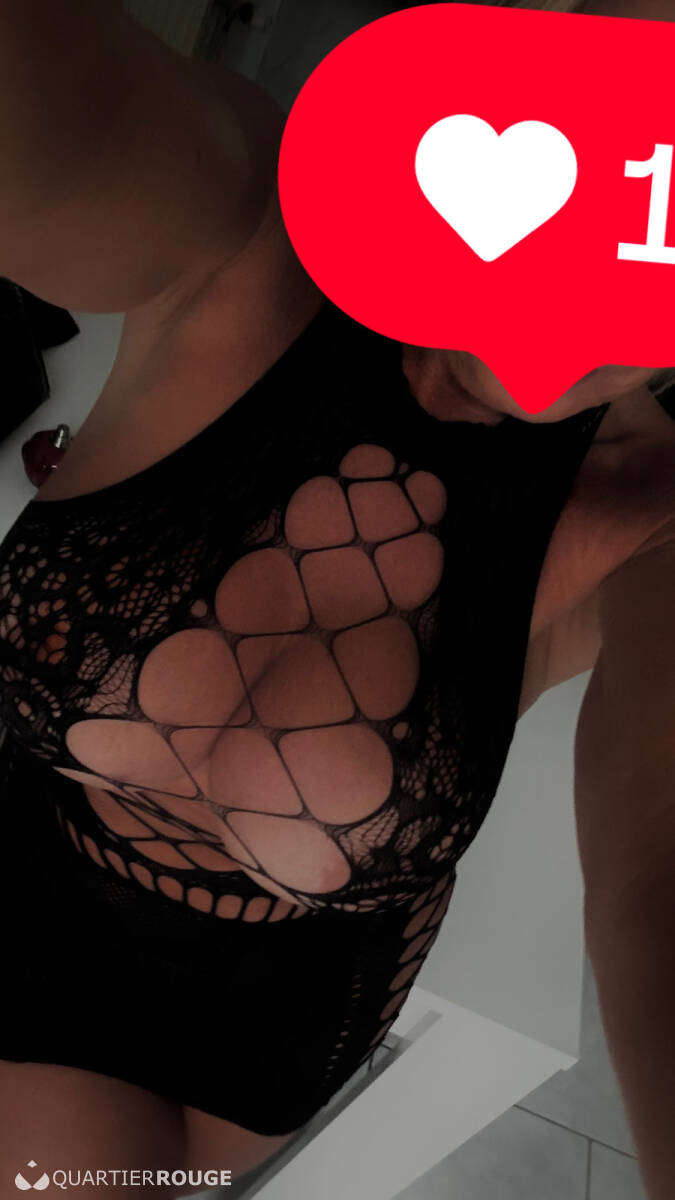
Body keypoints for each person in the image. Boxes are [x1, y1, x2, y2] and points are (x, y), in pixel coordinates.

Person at [0, 0, 673, 1197]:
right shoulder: (249, 223)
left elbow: (658, 882)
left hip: (251, 1028)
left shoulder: (645, 516)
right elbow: (42, 117)